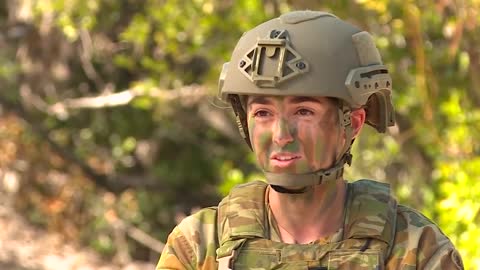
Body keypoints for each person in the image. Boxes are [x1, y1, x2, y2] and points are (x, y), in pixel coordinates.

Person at [156, 10, 464, 269]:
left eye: (304, 111)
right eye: (263, 112)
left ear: (353, 123)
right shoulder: (199, 246)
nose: (280, 135)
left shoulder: (413, 247)